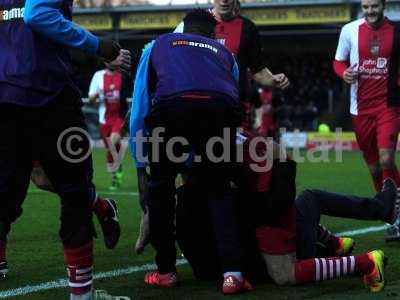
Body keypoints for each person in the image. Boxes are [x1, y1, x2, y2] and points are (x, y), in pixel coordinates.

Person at [0, 1, 131, 299]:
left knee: (18, 187)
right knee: (70, 190)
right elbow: (38, 15)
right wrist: (99, 45)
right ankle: (82, 293)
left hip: (9, 98)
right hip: (49, 98)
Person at [130, 9, 252, 295]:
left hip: (169, 115)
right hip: (217, 116)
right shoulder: (225, 55)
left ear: (183, 28)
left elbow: (140, 107)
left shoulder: (156, 46)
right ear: (212, 35)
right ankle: (232, 275)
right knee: (219, 191)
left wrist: (140, 164)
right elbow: (234, 106)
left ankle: (166, 272)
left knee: (160, 192)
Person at [333, 0, 400, 241]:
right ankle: (387, 208)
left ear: (384, 5)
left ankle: (397, 216)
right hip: (359, 109)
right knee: (373, 166)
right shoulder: (349, 30)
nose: (370, 11)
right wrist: (344, 72)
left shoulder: (396, 31)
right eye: (366, 7)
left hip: (388, 107)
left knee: (386, 159)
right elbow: (338, 61)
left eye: (375, 6)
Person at [175, 0, 290, 130]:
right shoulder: (190, 23)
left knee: (244, 149)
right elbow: (174, 60)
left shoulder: (248, 28)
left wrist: (273, 79)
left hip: (235, 111)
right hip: (199, 107)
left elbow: (257, 70)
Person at [88, 63, 128, 190]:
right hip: (104, 119)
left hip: (119, 117)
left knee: (112, 142)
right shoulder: (98, 76)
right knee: (110, 150)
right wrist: (97, 94)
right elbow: (90, 99)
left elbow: (128, 93)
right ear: (105, 61)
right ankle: (115, 174)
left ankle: (117, 167)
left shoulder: (123, 76)